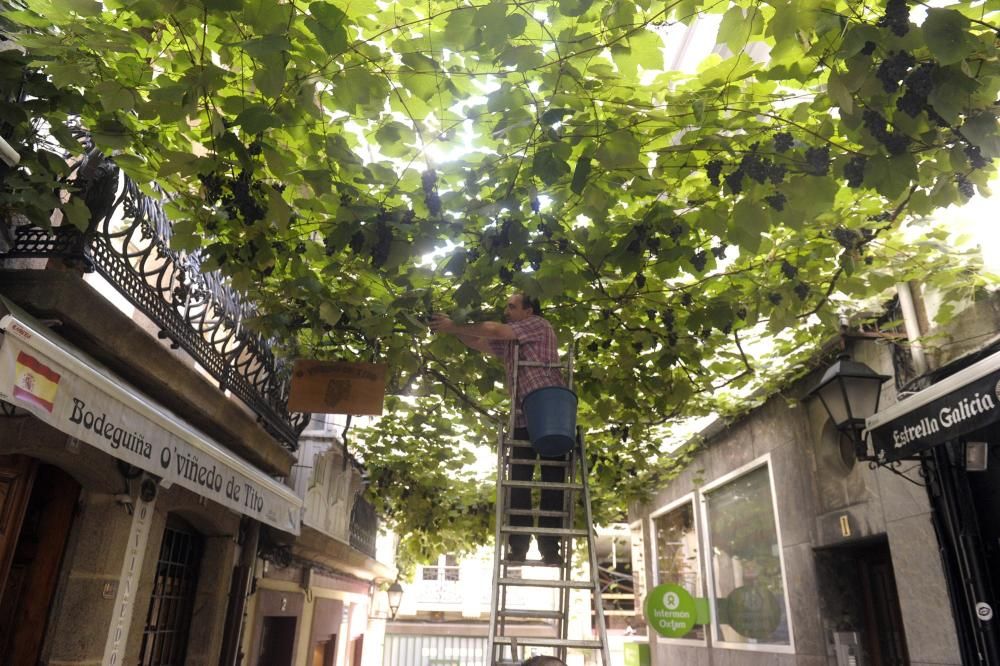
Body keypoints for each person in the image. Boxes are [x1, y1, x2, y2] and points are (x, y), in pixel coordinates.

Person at [429, 292, 567, 565]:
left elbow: (493, 329)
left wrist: (452, 325)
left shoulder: (538, 325)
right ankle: (519, 546)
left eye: (511, 306)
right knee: (519, 483)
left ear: (529, 311)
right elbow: (478, 341)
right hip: (523, 416)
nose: (506, 310)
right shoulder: (513, 341)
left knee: (552, 483)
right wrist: (451, 326)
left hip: (549, 412)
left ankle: (551, 549)